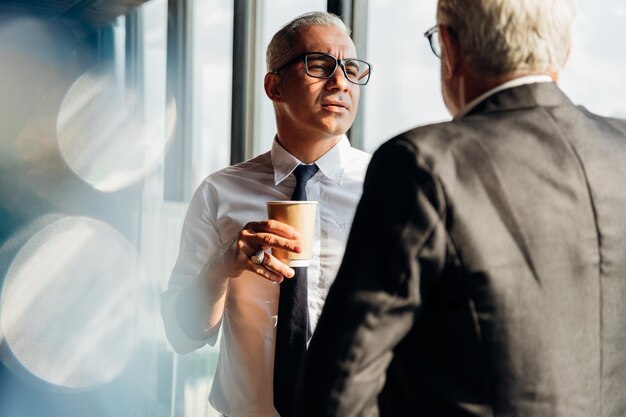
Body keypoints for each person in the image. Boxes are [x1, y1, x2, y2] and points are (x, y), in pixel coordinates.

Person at [298, 0, 626, 416]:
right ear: (564, 50)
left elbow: (336, 392)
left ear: (450, 49)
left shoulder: (422, 165)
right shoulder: (620, 152)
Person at [161, 11, 372, 417]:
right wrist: (221, 267)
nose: (341, 82)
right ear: (274, 85)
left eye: (351, 69)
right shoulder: (219, 192)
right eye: (320, 65)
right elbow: (183, 335)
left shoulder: (385, 188)